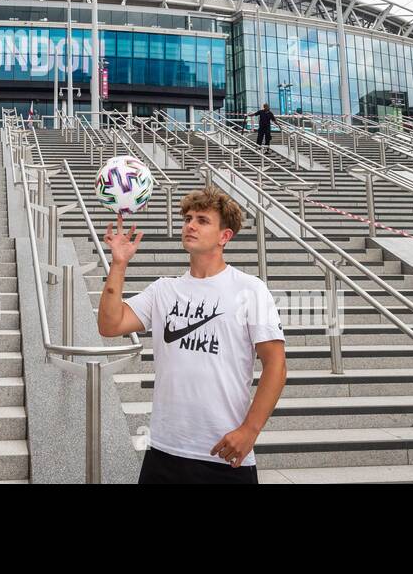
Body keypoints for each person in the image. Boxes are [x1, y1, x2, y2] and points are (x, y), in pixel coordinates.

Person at [98, 188, 287, 484]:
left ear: (225, 236)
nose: (190, 225)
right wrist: (119, 264)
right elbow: (110, 325)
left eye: (202, 220)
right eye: (187, 218)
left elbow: (276, 364)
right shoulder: (163, 290)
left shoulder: (250, 290)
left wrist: (250, 430)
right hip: (164, 450)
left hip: (223, 452)